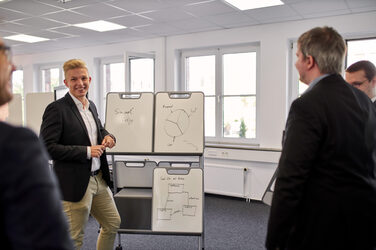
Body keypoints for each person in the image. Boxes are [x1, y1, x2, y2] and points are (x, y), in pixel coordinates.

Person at [266, 26, 376, 250]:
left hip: (322, 230)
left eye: (297, 56)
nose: (296, 63)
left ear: (309, 60)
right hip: (363, 224)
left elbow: (290, 178)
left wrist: (275, 240)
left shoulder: (307, 105)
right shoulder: (364, 102)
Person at [40, 59, 121, 250]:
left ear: (90, 79)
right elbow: (46, 147)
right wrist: (86, 151)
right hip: (74, 182)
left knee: (112, 223)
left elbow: (98, 130)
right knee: (74, 238)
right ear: (66, 82)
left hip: (98, 179)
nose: (80, 83)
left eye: (83, 78)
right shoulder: (56, 109)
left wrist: (109, 136)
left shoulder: (91, 105)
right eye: (74, 79)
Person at [0, 39, 74, 249]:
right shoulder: (15, 145)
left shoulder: (91, 106)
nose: (13, 66)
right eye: (4, 53)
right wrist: (87, 151)